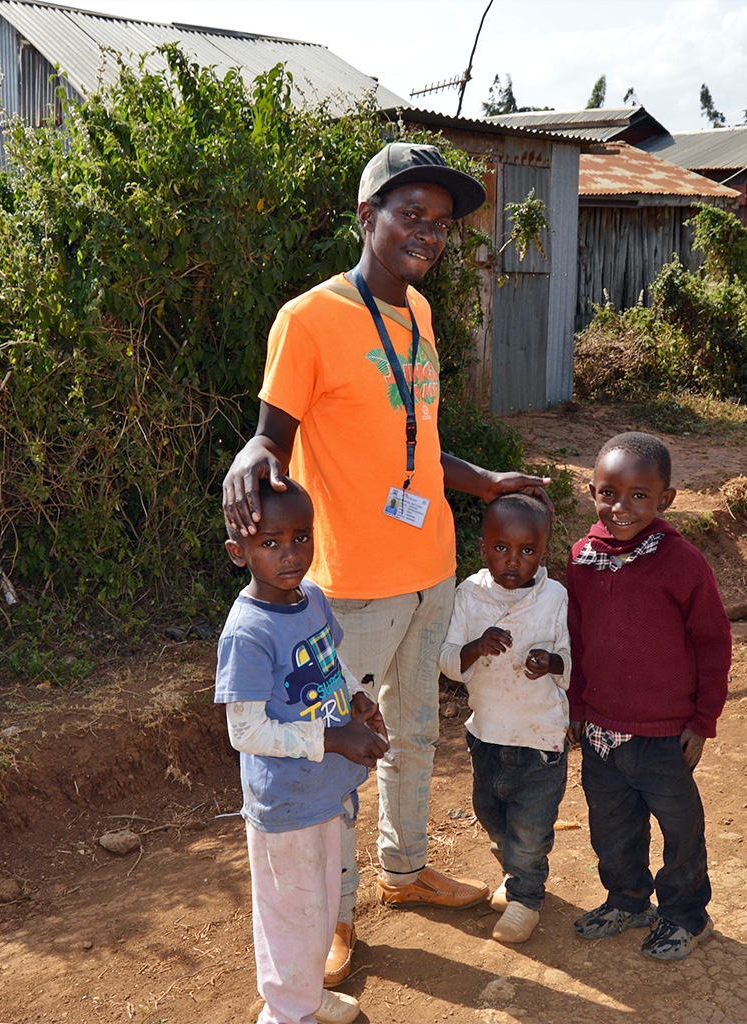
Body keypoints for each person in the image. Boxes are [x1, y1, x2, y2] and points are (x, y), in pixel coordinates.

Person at [222, 141, 550, 986]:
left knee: (413, 734)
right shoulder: (310, 318)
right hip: (352, 589)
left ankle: (404, 877)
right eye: (412, 215)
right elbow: (272, 434)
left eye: (440, 224)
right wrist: (250, 455)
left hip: (430, 564)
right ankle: (334, 919)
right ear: (367, 218)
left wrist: (479, 483)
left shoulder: (422, 317)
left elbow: (417, 442)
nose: (429, 235)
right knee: (340, 750)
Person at [215, 477, 389, 1024]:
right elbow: (245, 732)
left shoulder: (311, 599)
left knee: (319, 910)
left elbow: (327, 665)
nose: (290, 554)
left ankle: (305, 995)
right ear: (237, 552)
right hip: (285, 804)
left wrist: (355, 703)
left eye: (301, 537)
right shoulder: (248, 632)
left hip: (323, 791)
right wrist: (334, 738)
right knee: (291, 914)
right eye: (270, 542)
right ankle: (286, 1014)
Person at [565, 431, 732, 961]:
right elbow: (573, 637)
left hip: (664, 736)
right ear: (591, 491)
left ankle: (685, 914)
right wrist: (576, 708)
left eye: (640, 495)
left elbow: (713, 643)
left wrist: (702, 721)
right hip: (601, 731)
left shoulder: (682, 563)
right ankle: (628, 899)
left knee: (681, 828)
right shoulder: (581, 559)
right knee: (611, 823)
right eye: (608, 492)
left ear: (666, 499)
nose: (621, 506)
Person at [438, 493, 571, 944]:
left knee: (531, 828)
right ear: (482, 547)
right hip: (488, 735)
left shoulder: (555, 598)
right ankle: (517, 875)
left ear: (543, 552)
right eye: (501, 548)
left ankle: (526, 900)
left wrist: (552, 663)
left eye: (527, 551)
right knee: (491, 814)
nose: (513, 561)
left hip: (541, 739)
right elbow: (447, 659)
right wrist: (475, 647)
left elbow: (575, 662)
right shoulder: (468, 595)